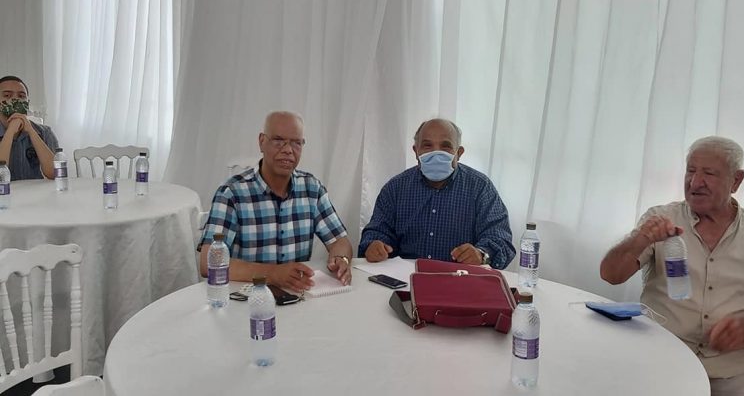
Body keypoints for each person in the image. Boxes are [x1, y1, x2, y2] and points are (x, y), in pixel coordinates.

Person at [600, 136, 744, 395]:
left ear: (736, 180)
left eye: (709, 173)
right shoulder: (661, 219)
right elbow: (610, 275)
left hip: (734, 373)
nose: (695, 182)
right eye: (691, 171)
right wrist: (640, 240)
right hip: (662, 358)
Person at [199, 111, 353, 292]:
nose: (288, 150)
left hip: (297, 296)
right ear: (261, 142)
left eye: (296, 143)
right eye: (279, 141)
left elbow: (339, 241)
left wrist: (341, 259)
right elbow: (208, 263)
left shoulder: (312, 189)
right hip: (245, 298)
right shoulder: (232, 193)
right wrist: (272, 274)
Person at [359, 118, 515, 269]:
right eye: (427, 145)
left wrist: (481, 254)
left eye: (445, 146)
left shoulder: (480, 187)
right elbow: (377, 231)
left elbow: (501, 239)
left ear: (459, 153)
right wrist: (374, 245)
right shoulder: (396, 188)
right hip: (405, 277)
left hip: (460, 278)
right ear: (416, 151)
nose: (436, 153)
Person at [0, 75, 58, 180]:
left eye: (21, 96)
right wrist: (10, 131)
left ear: (28, 103)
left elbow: (55, 173)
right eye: (7, 95)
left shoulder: (45, 132)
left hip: (35, 190)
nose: (15, 99)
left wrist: (31, 131)